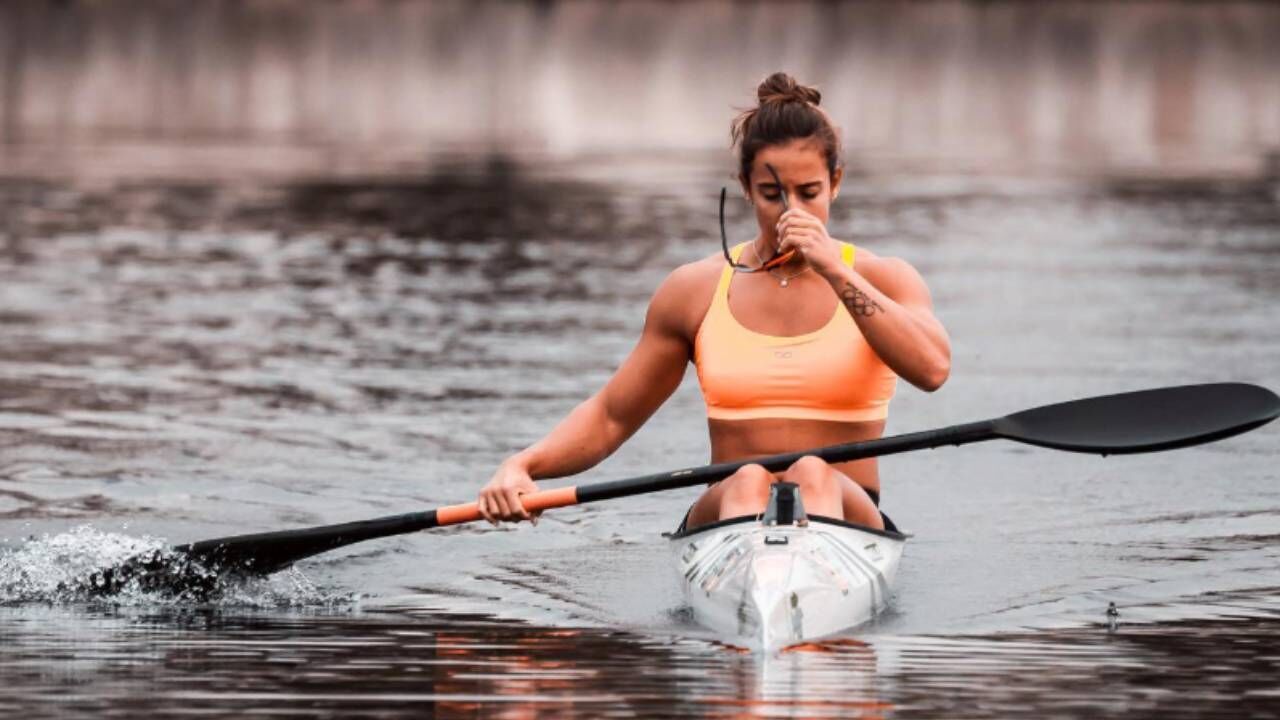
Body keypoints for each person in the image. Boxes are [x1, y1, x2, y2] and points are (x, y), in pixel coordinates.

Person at [478, 72, 951, 530]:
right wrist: (523, 466)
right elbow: (610, 417)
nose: (792, 213)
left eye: (810, 193)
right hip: (730, 514)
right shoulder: (694, 291)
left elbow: (932, 370)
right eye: (772, 194)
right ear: (746, 188)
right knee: (749, 477)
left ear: (836, 183)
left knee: (812, 473)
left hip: (845, 513)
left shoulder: (884, 277)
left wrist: (833, 268)